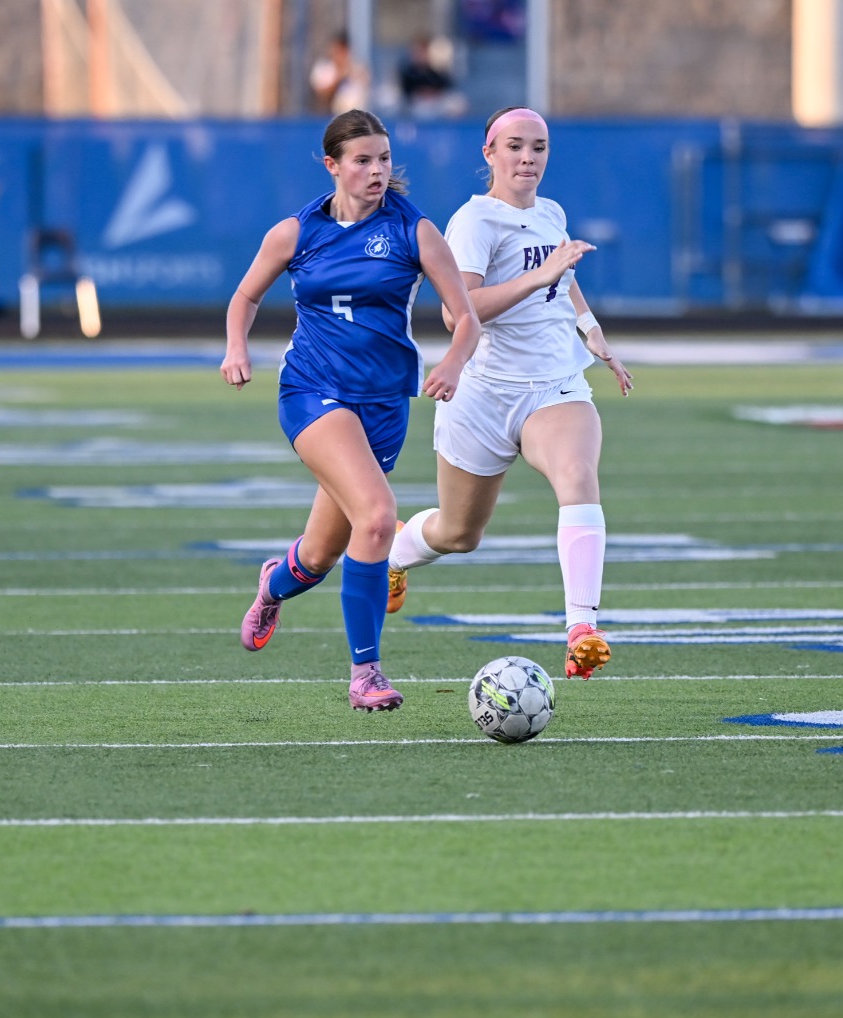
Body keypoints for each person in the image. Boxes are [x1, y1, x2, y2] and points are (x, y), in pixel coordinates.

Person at [221, 109, 481, 711]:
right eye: (363, 160)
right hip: (312, 391)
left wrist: (453, 363)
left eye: (384, 159)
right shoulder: (295, 231)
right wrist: (237, 346)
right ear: (332, 165)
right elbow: (245, 294)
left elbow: (465, 316)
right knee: (378, 518)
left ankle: (273, 584)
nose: (376, 171)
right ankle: (367, 674)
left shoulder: (414, 231)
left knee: (318, 556)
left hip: (386, 403)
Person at [385, 106, 634, 680]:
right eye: (515, 146)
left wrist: (593, 333)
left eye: (539, 147)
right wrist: (538, 276)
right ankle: (396, 556)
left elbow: (565, 282)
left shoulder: (550, 212)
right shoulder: (473, 223)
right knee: (458, 532)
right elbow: (458, 313)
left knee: (577, 476)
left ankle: (582, 629)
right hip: (483, 395)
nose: (528, 158)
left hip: (554, 386)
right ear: (489, 154)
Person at [309, 33, 370, 115]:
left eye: (343, 51)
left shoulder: (358, 69)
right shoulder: (324, 68)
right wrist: (340, 77)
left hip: (354, 118)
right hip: (327, 117)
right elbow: (321, 96)